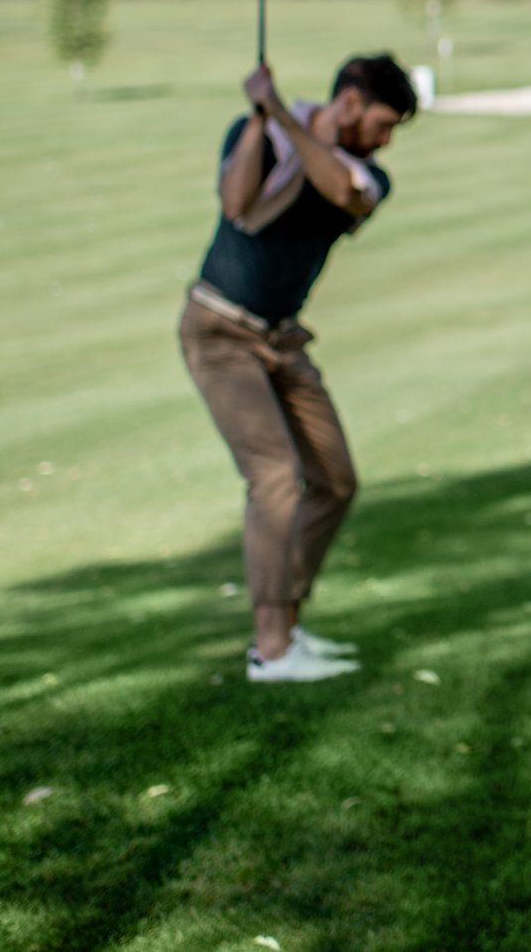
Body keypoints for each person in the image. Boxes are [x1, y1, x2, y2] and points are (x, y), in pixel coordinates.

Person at [178, 52, 417, 682]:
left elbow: (338, 186)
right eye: (384, 123)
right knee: (276, 476)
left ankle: (288, 622)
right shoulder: (261, 129)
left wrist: (281, 108)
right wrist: (262, 118)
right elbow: (237, 204)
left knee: (335, 480)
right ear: (349, 103)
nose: (388, 139)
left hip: (282, 343)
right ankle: (271, 649)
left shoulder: (367, 176)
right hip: (219, 332)